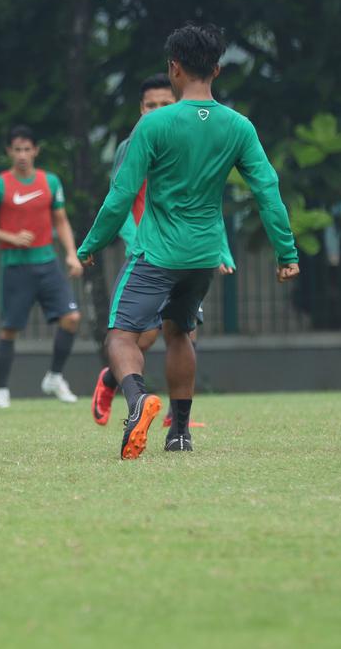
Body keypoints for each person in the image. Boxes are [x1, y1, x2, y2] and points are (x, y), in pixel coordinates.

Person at [77, 23, 299, 459]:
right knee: (180, 333)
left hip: (157, 252)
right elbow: (267, 190)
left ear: (173, 68)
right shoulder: (239, 127)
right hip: (202, 256)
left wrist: (90, 245)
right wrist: (286, 253)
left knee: (120, 337)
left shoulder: (154, 124)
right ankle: (180, 433)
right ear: (217, 69)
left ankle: (138, 400)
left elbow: (121, 195)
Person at [91, 74, 236, 428]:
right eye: (150, 105)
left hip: (186, 251)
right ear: (141, 109)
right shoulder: (133, 144)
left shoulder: (188, 140)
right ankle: (111, 381)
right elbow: (120, 199)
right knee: (143, 337)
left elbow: (205, 203)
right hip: (149, 251)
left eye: (164, 104)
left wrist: (223, 250)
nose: (156, 110)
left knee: (183, 330)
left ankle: (176, 418)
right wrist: (135, 238)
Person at [0, 126, 81, 409]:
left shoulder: (51, 182)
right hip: (15, 267)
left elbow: (60, 220)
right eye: (17, 149)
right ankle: (1, 390)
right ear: (9, 152)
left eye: (27, 149)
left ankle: (55, 377)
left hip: (47, 263)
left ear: (36, 150)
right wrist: (11, 238)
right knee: (9, 330)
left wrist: (71, 253)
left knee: (71, 318)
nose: (22, 155)